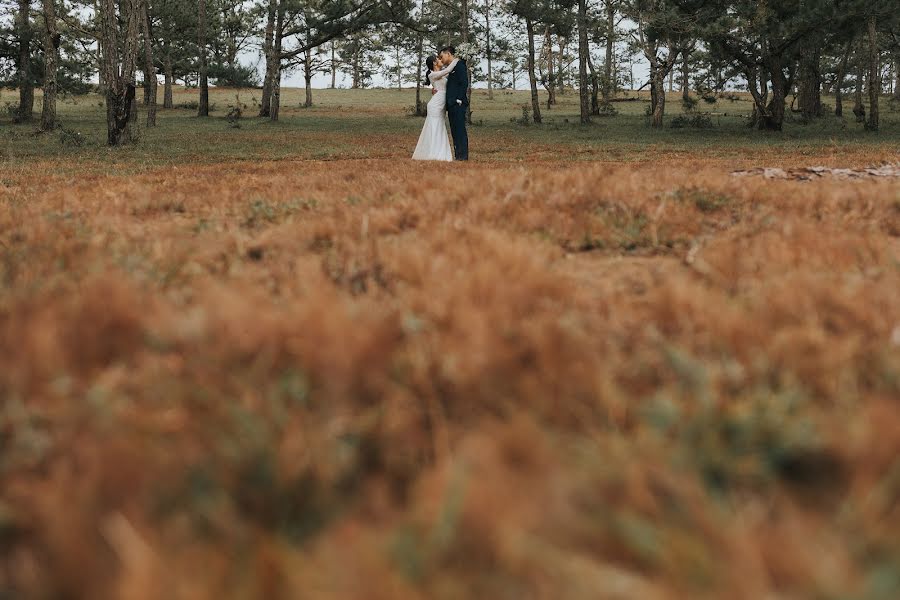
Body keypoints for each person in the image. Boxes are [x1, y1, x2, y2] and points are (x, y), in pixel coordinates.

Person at [412, 55, 459, 162]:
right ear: (434, 63)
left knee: (439, 126)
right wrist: (456, 60)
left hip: (440, 104)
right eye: (438, 59)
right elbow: (447, 70)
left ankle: (437, 151)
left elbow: (447, 74)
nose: (440, 60)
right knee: (435, 127)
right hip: (435, 105)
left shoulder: (438, 75)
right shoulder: (432, 75)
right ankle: (434, 152)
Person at [439, 46, 469, 161]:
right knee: (454, 131)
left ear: (448, 54)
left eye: (442, 56)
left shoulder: (459, 65)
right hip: (451, 104)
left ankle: (463, 156)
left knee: (460, 130)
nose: (442, 60)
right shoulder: (451, 68)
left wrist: (459, 99)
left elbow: (464, 83)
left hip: (458, 104)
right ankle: (458, 155)